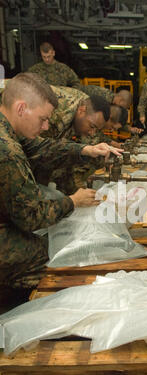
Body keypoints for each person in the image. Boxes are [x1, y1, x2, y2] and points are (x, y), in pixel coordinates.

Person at [0, 73, 122, 291]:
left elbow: (42, 148)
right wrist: (73, 201)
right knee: (54, 249)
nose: (47, 127)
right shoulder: (7, 152)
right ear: (21, 109)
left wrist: (86, 150)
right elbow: (31, 217)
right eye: (42, 119)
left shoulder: (8, 129)